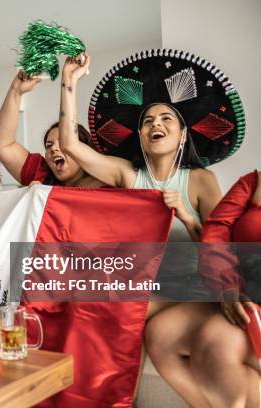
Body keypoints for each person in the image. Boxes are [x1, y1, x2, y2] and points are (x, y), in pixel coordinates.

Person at [61, 49, 254, 405]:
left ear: (181, 133)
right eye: (148, 121)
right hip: (145, 283)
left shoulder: (199, 180)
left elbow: (220, 246)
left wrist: (186, 214)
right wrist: (68, 82)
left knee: (119, 309)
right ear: (141, 134)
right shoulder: (127, 174)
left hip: (194, 286)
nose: (156, 124)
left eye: (166, 118)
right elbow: (70, 145)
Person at [193, 171, 261, 407]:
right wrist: (227, 285)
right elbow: (215, 232)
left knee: (215, 341)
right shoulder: (253, 182)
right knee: (161, 335)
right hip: (243, 292)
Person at [0, 71, 104, 188]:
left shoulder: (107, 178)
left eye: (63, 142)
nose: (53, 148)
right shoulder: (42, 176)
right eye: (48, 145)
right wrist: (15, 91)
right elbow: (4, 145)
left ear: (85, 147)